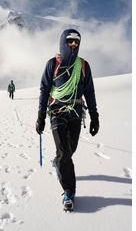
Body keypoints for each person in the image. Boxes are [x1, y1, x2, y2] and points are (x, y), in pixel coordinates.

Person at [36, 29, 99, 212]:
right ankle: (69, 192)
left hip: (76, 113)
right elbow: (44, 90)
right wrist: (40, 116)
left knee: (69, 150)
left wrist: (95, 117)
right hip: (57, 112)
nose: (73, 45)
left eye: (76, 42)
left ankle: (58, 162)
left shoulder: (84, 66)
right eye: (70, 41)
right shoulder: (52, 64)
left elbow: (90, 92)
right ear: (63, 42)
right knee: (65, 153)